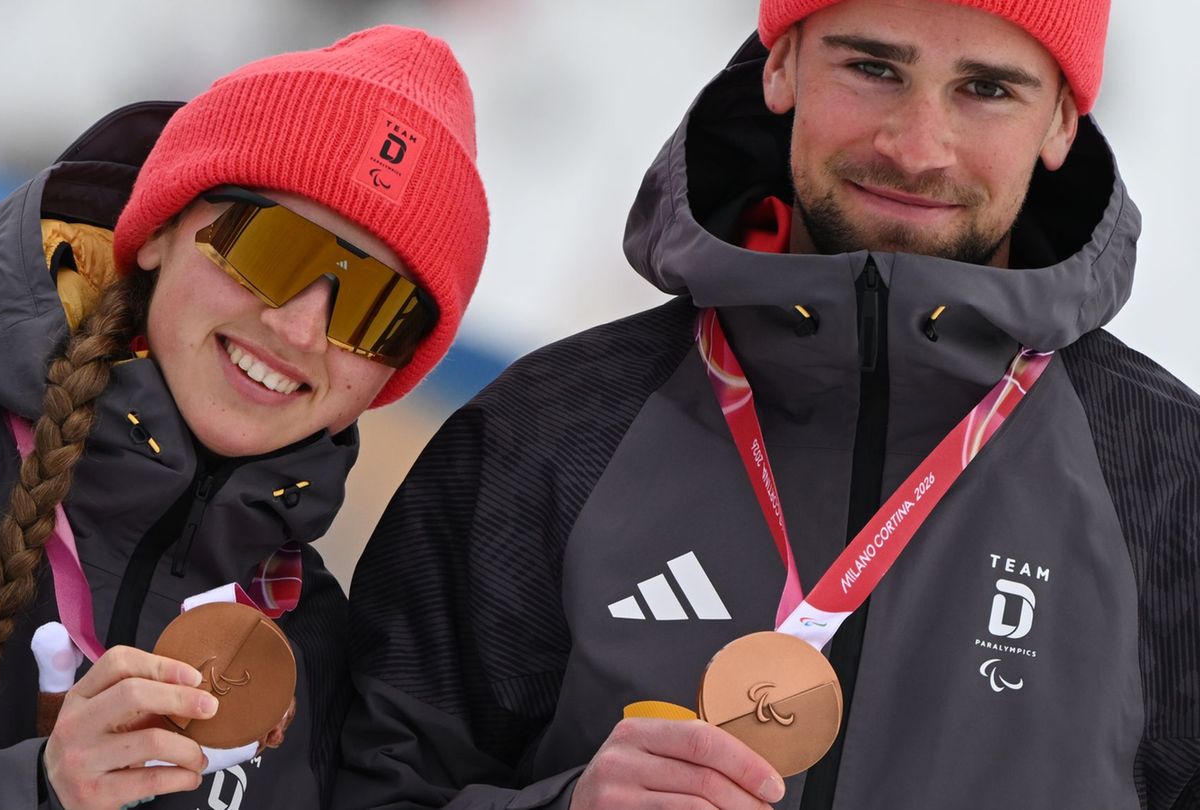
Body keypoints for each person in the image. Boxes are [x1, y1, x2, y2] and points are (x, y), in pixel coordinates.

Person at [336, 1, 1200, 808]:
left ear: (1060, 122)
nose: (916, 146)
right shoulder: (550, 429)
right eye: (873, 68)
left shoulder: (1167, 474)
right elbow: (373, 783)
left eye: (986, 90)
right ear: (780, 67)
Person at [0, 24, 488, 810]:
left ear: (392, 368)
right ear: (163, 231)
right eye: (275, 249)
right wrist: (16, 790)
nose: (301, 330)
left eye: (377, 310)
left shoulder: (315, 651)